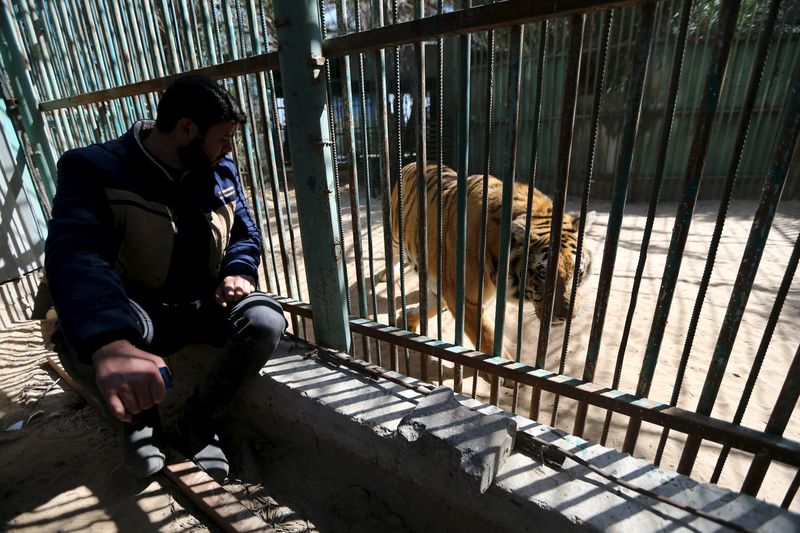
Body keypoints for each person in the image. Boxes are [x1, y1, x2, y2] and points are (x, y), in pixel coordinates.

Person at [45, 75, 286, 481]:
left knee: (266, 321)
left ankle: (199, 419)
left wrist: (238, 270)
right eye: (224, 138)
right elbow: (76, 254)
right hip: (139, 310)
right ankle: (141, 421)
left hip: (204, 302)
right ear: (187, 129)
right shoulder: (93, 168)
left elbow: (245, 230)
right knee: (74, 334)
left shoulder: (219, 168)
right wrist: (111, 343)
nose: (229, 149)